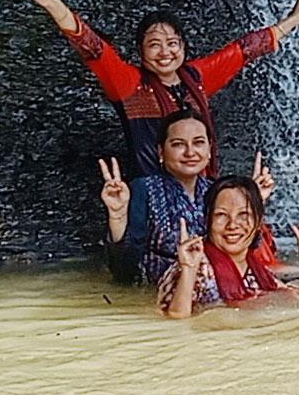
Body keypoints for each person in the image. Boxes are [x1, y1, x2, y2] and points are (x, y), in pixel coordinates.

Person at [13, 0, 299, 177]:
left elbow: (243, 50)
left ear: (183, 47)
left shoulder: (194, 77)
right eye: (155, 44)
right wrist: (55, 6)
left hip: (201, 188)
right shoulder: (129, 84)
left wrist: (289, 22)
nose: (165, 52)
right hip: (154, 192)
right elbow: (93, 48)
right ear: (141, 53)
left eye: (173, 43)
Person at [98, 110, 277, 285]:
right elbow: (123, 268)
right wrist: (118, 216)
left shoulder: (216, 190)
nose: (190, 152)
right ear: (161, 152)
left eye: (198, 143)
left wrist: (254, 204)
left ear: (209, 150)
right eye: (178, 144)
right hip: (157, 297)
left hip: (215, 291)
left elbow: (244, 250)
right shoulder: (144, 189)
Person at [158, 176, 299, 317]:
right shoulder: (196, 264)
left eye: (243, 215)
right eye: (221, 215)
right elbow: (175, 320)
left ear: (258, 221)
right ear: (207, 220)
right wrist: (188, 270)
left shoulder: (256, 270)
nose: (233, 225)